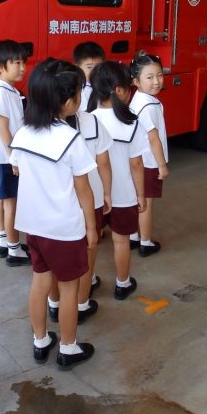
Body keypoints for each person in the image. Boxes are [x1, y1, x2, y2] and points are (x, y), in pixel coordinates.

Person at [10, 58, 98, 370]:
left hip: (33, 226)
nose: (80, 98)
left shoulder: (22, 134)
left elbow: (17, 170)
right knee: (70, 288)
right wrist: (91, 227)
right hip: (64, 228)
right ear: (66, 101)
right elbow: (84, 189)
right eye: (78, 92)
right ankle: (69, 348)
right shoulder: (70, 139)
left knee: (39, 283)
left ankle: (40, 340)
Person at [48, 66, 113, 324]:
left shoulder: (37, 129)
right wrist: (107, 193)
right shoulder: (92, 121)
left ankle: (54, 304)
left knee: (54, 261)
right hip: (91, 200)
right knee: (88, 252)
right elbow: (104, 163)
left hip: (57, 206)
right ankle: (81, 304)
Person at [88, 61, 147, 300]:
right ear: (120, 90)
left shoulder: (86, 120)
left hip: (93, 195)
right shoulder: (131, 123)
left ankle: (89, 281)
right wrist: (141, 195)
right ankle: (122, 284)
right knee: (121, 240)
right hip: (123, 194)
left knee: (91, 241)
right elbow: (136, 165)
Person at [0, 39, 29, 266]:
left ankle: (4, 240)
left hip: (2, 157)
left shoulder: (7, 90)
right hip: (7, 158)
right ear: (1, 66)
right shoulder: (2, 93)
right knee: (10, 201)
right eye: (17, 63)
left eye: (23, 62)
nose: (22, 68)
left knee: (3, 200)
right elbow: (3, 127)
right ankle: (15, 250)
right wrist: (14, 157)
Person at [129, 51, 169, 257]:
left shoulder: (138, 99)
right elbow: (154, 138)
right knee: (146, 204)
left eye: (159, 75)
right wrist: (162, 165)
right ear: (136, 81)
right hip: (149, 163)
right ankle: (145, 242)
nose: (156, 81)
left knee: (138, 199)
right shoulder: (149, 106)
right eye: (150, 77)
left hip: (138, 160)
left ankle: (134, 237)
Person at [73, 41, 106, 111]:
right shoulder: (73, 88)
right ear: (77, 67)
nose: (94, 71)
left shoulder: (106, 86)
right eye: (89, 67)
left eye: (98, 66)